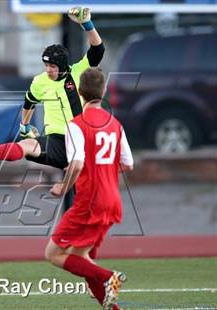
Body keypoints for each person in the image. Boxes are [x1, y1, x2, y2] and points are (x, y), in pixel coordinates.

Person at [0, 7, 105, 173]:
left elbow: (98, 49)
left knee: (84, 190)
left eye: (52, 66)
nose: (48, 70)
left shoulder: (78, 72)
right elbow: (29, 102)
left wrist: (86, 23)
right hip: (56, 140)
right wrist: (24, 126)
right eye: (46, 65)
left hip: (81, 140)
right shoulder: (40, 81)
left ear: (63, 66)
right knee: (27, 145)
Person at [45, 68, 134, 309]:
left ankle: (109, 277)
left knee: (53, 253)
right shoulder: (115, 124)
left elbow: (77, 162)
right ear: (103, 91)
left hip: (89, 202)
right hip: (112, 200)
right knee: (81, 258)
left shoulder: (76, 124)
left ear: (81, 93)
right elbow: (128, 164)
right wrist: (103, 169)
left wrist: (64, 186)